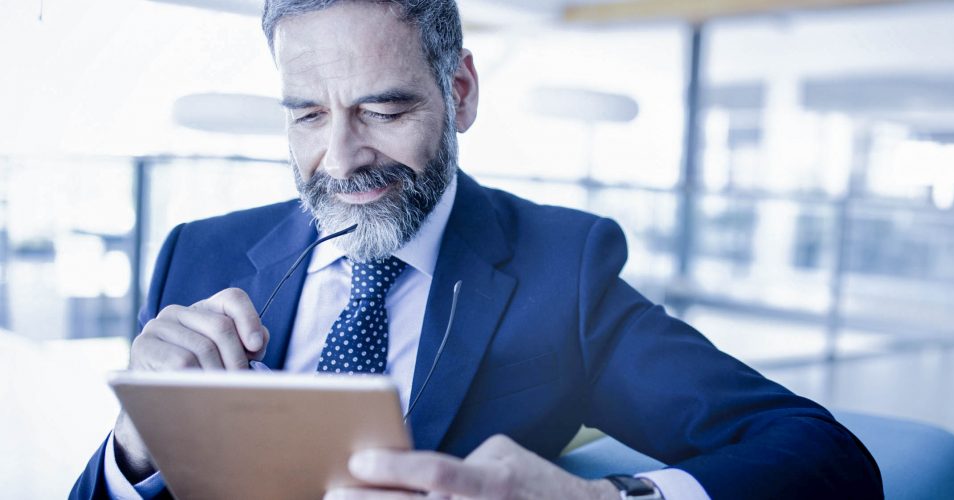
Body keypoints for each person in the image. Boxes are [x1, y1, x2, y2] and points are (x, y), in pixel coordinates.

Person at [70, 1, 883, 498]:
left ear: (459, 92)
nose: (342, 159)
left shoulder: (560, 272)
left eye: (383, 112)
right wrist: (134, 449)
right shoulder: (196, 256)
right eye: (308, 115)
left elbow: (823, 456)